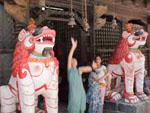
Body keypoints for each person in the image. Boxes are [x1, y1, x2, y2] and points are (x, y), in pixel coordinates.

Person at [67, 37, 92, 113]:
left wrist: (82, 69)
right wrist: (73, 47)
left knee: (81, 110)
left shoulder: (79, 70)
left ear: (77, 63)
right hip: (74, 96)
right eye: (72, 60)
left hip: (81, 94)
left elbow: (89, 69)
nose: (74, 61)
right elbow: (69, 57)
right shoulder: (70, 71)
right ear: (71, 63)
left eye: (75, 60)